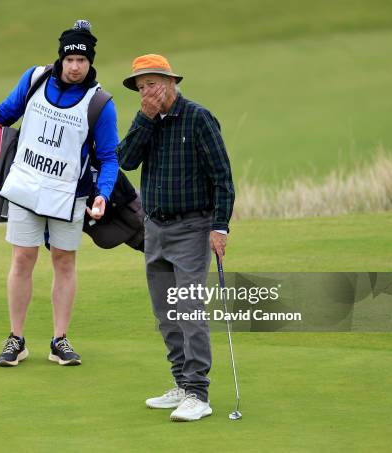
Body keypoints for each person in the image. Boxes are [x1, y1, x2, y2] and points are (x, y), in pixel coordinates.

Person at [0, 20, 118, 367]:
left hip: (69, 196)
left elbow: (109, 157)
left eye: (83, 60)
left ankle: (59, 340)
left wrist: (103, 194)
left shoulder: (99, 103)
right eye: (71, 59)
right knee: (22, 259)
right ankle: (16, 339)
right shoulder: (34, 80)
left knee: (64, 262)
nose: (76, 66)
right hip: (25, 188)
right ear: (61, 59)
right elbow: (2, 115)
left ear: (90, 62)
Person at [117, 54, 235, 421]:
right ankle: (182, 384)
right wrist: (144, 119)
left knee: (189, 308)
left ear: (170, 83)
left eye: (152, 84)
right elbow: (125, 159)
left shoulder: (198, 118)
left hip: (192, 228)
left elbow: (222, 177)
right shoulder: (147, 122)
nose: (146, 93)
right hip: (154, 229)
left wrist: (220, 226)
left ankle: (199, 393)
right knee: (165, 311)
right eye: (140, 88)